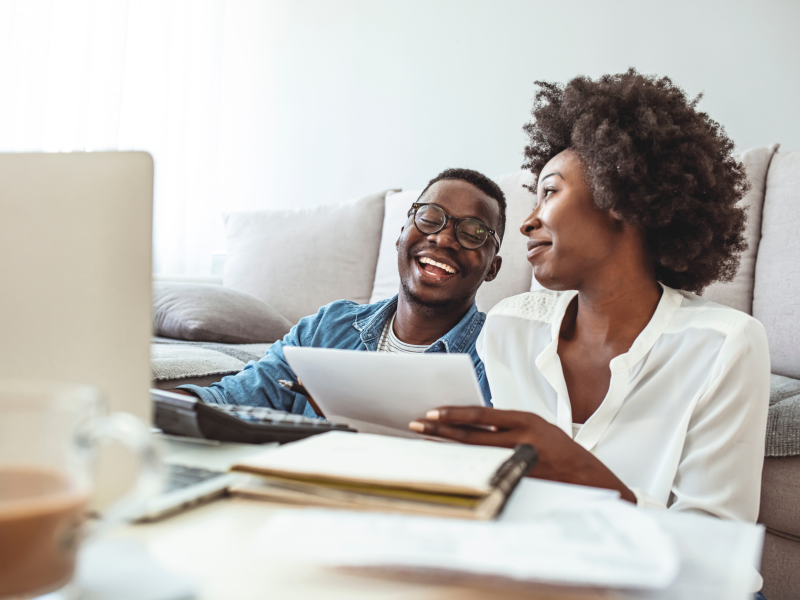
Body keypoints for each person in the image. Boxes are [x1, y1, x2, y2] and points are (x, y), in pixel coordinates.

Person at [410, 70, 770, 522]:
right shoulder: (510, 327)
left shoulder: (724, 344)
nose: (528, 222)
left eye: (549, 192)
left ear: (616, 195)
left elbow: (717, 554)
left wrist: (581, 472)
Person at [175, 168, 505, 417]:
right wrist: (145, 407)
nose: (444, 239)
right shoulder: (327, 328)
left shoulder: (499, 355)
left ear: (492, 267)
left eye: (474, 232)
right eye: (431, 218)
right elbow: (229, 399)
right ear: (401, 234)